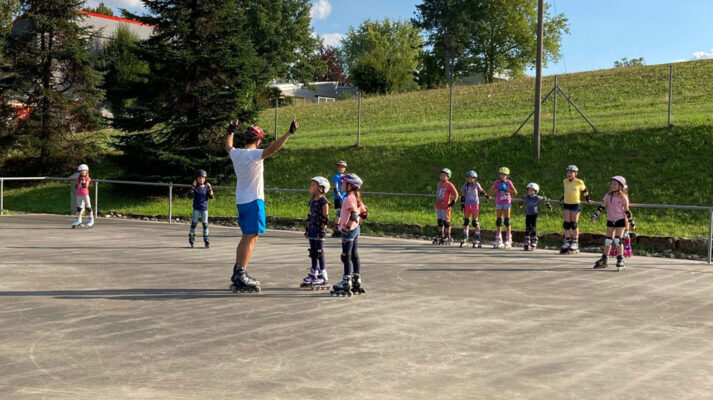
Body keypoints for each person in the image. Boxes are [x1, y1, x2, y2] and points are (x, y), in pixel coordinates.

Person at [225, 117, 299, 293]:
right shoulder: (254, 154)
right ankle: (241, 273)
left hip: (241, 200)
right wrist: (289, 132)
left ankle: (238, 271)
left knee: (247, 236)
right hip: (254, 200)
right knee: (252, 236)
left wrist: (230, 131)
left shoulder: (236, 153)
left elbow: (228, 145)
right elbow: (273, 149)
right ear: (258, 141)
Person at [330, 174, 368, 297]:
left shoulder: (349, 198)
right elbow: (364, 213)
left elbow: (354, 214)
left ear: (350, 186)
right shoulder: (355, 197)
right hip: (356, 229)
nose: (341, 185)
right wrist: (356, 225)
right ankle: (356, 279)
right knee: (354, 255)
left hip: (349, 231)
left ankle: (346, 282)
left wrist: (347, 227)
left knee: (346, 256)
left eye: (344, 183)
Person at [590, 176, 636, 271]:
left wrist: (631, 222)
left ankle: (620, 259)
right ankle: (604, 258)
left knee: (618, 240)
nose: (612, 185)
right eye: (612, 184)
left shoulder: (623, 197)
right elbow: (601, 207)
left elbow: (627, 211)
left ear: (620, 186)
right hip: (610, 219)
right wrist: (594, 216)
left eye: (615, 184)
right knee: (608, 240)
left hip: (620, 220)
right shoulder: (608, 195)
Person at [301, 176, 331, 289]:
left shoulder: (324, 201)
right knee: (313, 252)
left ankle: (323, 275)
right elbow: (310, 215)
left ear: (321, 188)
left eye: (313, 185)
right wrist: (307, 229)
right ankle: (314, 272)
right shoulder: (312, 200)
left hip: (319, 230)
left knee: (319, 252)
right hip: (312, 229)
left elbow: (326, 218)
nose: (311, 187)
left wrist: (323, 230)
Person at [560, 165, 593, 254]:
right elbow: (567, 191)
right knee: (566, 224)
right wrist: (563, 197)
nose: (569, 174)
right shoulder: (565, 181)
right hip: (566, 203)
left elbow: (585, 191)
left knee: (573, 224)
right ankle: (567, 241)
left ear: (575, 173)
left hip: (575, 204)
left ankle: (575, 242)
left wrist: (588, 199)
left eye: (571, 172)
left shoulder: (579, 182)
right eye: (568, 172)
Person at [487, 167, 517, 248]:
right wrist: (497, 189)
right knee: (499, 220)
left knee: (507, 221)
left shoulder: (509, 182)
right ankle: (498, 238)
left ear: (507, 176)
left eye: (504, 175)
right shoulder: (496, 182)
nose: (502, 176)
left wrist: (507, 189)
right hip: (499, 202)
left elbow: (515, 192)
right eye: (501, 174)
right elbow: (489, 192)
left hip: (507, 202)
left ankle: (508, 239)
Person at [459, 170, 489, 248]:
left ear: (474, 178)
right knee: (466, 221)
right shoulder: (465, 186)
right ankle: (465, 237)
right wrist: (462, 206)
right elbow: (463, 196)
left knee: (475, 222)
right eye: (468, 177)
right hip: (467, 204)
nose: (470, 179)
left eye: (471, 178)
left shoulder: (477, 185)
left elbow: (481, 191)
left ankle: (477, 237)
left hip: (475, 204)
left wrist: (486, 195)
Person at [519, 183, 552, 251]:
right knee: (527, 227)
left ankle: (534, 241)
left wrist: (549, 206)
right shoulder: (527, 197)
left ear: (535, 191)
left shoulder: (537, 197)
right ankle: (526, 241)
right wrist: (520, 204)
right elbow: (522, 199)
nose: (530, 192)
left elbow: (544, 199)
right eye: (529, 190)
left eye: (532, 190)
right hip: (528, 214)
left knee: (533, 228)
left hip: (534, 214)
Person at [432, 168, 459, 245]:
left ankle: (448, 235)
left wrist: (453, 202)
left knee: (446, 222)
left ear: (448, 177)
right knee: (439, 221)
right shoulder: (439, 183)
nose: (442, 177)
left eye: (444, 176)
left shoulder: (449, 185)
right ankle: (441, 233)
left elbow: (456, 194)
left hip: (445, 206)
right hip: (438, 205)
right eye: (441, 175)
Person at [189, 169, 214, 248]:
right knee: (194, 224)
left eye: (203, 178)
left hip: (204, 209)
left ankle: (206, 241)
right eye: (199, 178)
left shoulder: (206, 187)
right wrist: (193, 187)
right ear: (197, 179)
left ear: (205, 179)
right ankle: (191, 239)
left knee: (205, 225)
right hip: (196, 208)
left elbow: (211, 196)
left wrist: (210, 188)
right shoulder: (195, 187)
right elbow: (190, 196)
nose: (201, 179)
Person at [72, 164, 94, 228]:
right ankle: (79, 220)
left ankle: (91, 220)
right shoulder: (78, 178)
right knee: (79, 208)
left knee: (88, 207)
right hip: (79, 194)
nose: (82, 172)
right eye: (81, 171)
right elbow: (77, 186)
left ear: (86, 171)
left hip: (85, 194)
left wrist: (83, 180)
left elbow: (85, 186)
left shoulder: (88, 178)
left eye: (83, 171)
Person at [331, 160, 347, 237]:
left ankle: (341, 228)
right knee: (339, 213)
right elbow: (336, 188)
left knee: (344, 213)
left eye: (343, 167)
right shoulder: (336, 176)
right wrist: (340, 196)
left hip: (345, 197)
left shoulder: (346, 177)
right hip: (338, 197)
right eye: (340, 167)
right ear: (337, 168)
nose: (341, 168)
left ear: (345, 168)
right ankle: (336, 229)